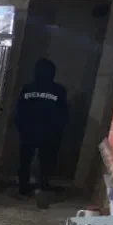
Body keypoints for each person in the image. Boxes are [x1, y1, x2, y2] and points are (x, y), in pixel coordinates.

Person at [16, 57, 69, 202]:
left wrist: (20, 127)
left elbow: (19, 110)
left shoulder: (27, 88)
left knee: (25, 160)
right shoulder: (58, 90)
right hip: (49, 132)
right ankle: (42, 187)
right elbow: (63, 113)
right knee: (46, 160)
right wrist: (59, 130)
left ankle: (23, 188)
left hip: (28, 130)